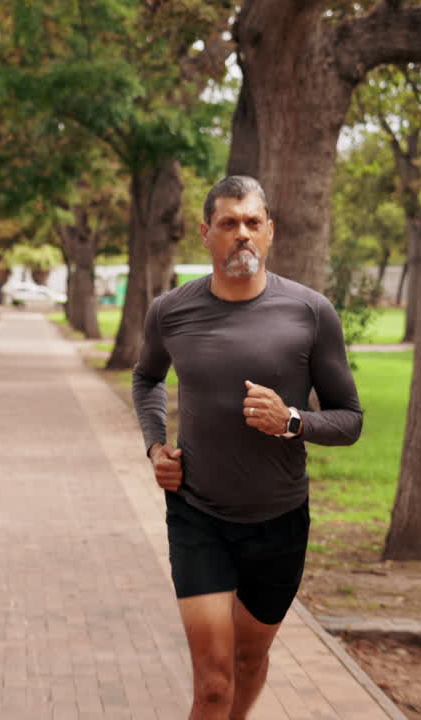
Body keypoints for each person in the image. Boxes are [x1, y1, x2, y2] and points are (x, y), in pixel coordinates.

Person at [131, 175, 362, 720]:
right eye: (229, 224)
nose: (242, 235)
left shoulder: (309, 313)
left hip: (279, 519)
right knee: (213, 683)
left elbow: (350, 419)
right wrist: (155, 448)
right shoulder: (170, 312)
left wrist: (292, 421)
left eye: (253, 223)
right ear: (205, 233)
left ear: (270, 232)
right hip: (198, 514)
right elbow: (146, 379)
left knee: (249, 660)